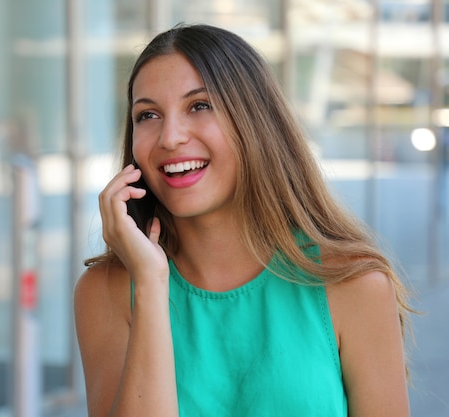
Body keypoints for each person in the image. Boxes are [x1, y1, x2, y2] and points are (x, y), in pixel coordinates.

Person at [74, 24, 412, 417]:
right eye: (147, 114)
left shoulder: (354, 284)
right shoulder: (107, 292)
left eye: (199, 105)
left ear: (254, 122)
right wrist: (150, 285)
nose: (170, 137)